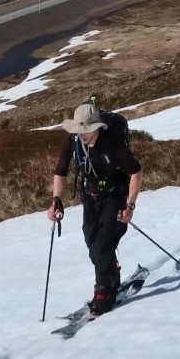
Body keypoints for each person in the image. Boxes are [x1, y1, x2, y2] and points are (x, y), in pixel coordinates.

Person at [47, 102, 142, 315]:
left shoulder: (112, 142)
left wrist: (130, 206)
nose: (82, 134)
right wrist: (56, 199)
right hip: (91, 196)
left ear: (97, 127)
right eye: (79, 130)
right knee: (91, 242)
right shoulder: (72, 141)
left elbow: (136, 172)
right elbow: (60, 171)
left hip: (116, 195)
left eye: (87, 130)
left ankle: (103, 292)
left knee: (102, 244)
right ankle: (111, 272)